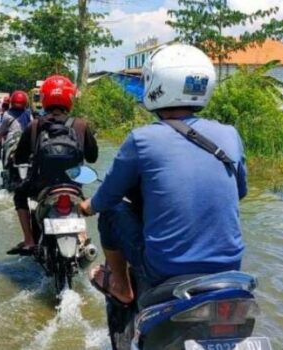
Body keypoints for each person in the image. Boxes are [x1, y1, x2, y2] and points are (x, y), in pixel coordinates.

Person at [79, 44, 248, 308]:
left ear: (155, 85)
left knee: (111, 212)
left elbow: (108, 196)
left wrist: (89, 206)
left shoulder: (142, 139)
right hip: (230, 266)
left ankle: (121, 287)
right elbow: (240, 192)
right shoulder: (230, 134)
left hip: (166, 269)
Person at [7, 75, 99, 255]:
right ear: (70, 98)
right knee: (80, 200)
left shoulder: (34, 126)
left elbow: (19, 158)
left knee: (19, 194)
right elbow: (93, 158)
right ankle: (82, 238)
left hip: (42, 187)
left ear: (44, 98)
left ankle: (29, 240)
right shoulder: (81, 125)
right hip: (73, 187)